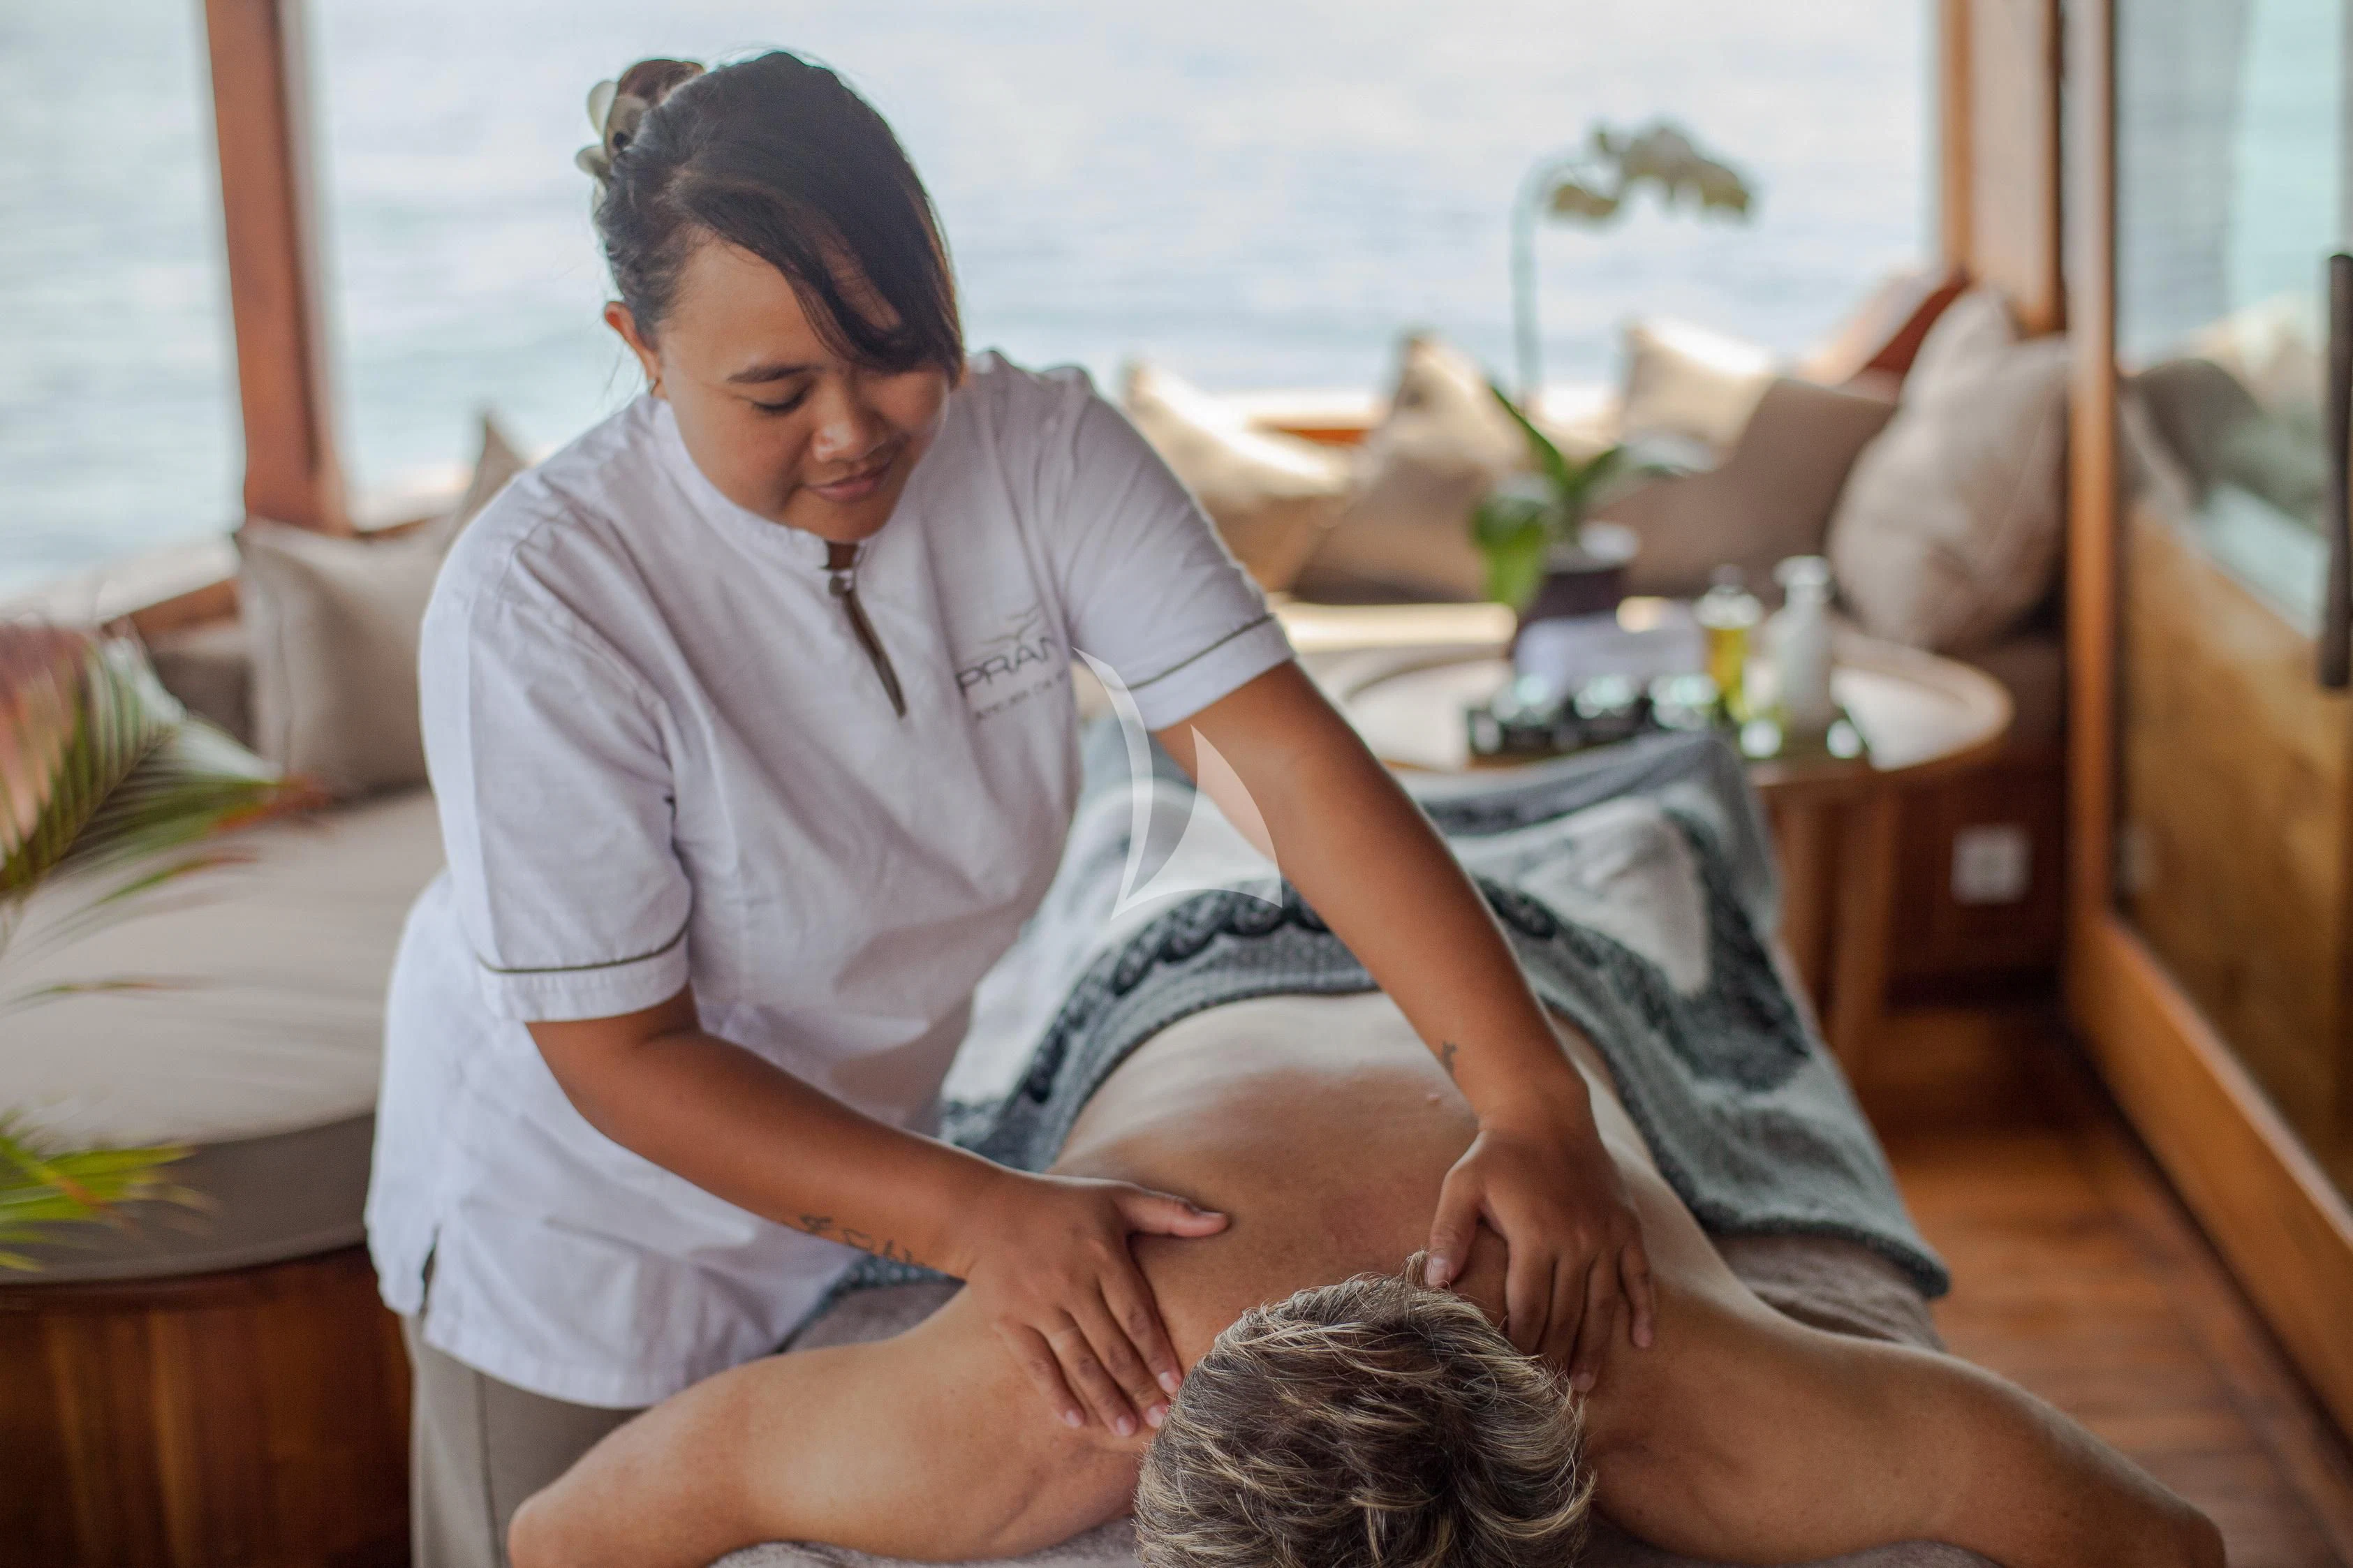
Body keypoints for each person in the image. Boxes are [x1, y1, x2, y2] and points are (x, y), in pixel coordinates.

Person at [365, 49, 1653, 1567]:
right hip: (579, 1233)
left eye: (896, 351)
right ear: (638, 352)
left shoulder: (1042, 455)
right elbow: (624, 1058)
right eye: (773, 391)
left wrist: (1528, 1096)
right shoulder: (541, 600)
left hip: (866, 1148)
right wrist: (977, 1219)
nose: (851, 432)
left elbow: (1284, 769)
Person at [507, 984, 2222, 1568]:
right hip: (1169, 996)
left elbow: (2160, 1544)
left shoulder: (1684, 1388)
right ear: (1144, 1437)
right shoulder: (1035, 1395)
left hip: (1516, 997)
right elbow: (560, 1534)